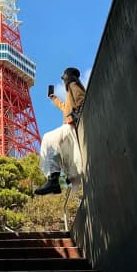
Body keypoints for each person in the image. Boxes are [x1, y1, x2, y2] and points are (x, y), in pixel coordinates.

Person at [35, 67, 86, 195]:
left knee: (48, 139)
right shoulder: (70, 91)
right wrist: (54, 98)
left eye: (64, 77)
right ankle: (57, 178)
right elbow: (65, 107)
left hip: (71, 125)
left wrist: (77, 114)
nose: (63, 80)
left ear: (68, 76)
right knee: (56, 147)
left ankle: (54, 180)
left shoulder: (73, 85)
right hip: (69, 125)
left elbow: (81, 99)